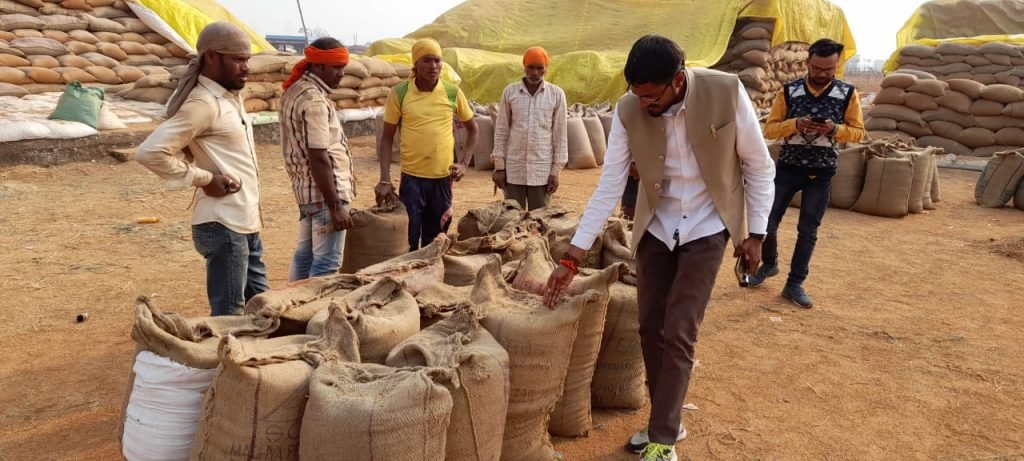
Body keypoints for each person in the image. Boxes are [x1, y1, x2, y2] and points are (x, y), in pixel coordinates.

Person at [542, 35, 775, 461]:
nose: (644, 103)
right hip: (656, 226)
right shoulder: (628, 109)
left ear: (678, 80)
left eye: (652, 96)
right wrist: (571, 258)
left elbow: (759, 167)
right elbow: (610, 184)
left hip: (708, 225)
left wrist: (755, 234)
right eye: (637, 94)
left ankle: (663, 440)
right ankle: (667, 419)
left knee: (680, 330)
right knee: (651, 328)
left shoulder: (726, 91)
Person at [135, 22, 266, 316]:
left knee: (262, 310)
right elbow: (149, 152)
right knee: (229, 316)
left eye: (247, 59)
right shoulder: (204, 104)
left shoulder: (230, 99)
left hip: (245, 222)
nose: (245, 67)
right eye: (237, 59)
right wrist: (204, 179)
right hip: (224, 224)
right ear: (211, 57)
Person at [751, 38, 865, 308]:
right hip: (787, 169)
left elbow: (858, 132)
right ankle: (770, 264)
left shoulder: (848, 93)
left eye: (829, 69)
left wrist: (835, 130)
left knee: (808, 230)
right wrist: (795, 124)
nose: (822, 74)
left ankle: (794, 284)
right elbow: (770, 129)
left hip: (821, 173)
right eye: (817, 68)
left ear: (836, 65)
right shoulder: (788, 91)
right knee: (766, 223)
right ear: (807, 63)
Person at [375, 38, 478, 250]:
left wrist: (464, 163)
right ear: (415, 64)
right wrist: (385, 179)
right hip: (412, 179)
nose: (433, 66)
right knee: (408, 238)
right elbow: (386, 137)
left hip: (442, 179)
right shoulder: (400, 93)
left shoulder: (452, 92)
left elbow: (473, 129)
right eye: (427, 60)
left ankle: (430, 270)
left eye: (437, 60)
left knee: (436, 239)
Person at [278, 37, 355, 281]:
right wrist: (336, 207)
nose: (341, 73)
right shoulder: (314, 101)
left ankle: (291, 303)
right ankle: (312, 306)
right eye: (336, 67)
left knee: (304, 258)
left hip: (307, 193)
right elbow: (319, 156)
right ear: (318, 65)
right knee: (326, 265)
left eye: (342, 67)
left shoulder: (295, 90)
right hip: (325, 196)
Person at [491, 46, 568, 210]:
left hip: (542, 171)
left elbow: (560, 135)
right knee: (512, 218)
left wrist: (555, 172)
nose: (535, 72)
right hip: (514, 169)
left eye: (540, 68)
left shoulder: (556, 94)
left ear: (546, 69)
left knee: (540, 220)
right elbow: (501, 131)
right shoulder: (510, 92)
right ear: (524, 66)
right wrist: (499, 167)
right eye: (531, 67)